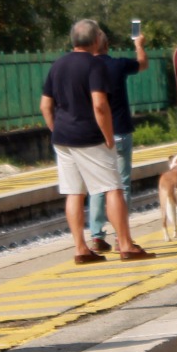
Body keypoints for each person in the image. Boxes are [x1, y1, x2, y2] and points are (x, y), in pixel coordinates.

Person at [40, 20, 152, 264]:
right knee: (113, 188)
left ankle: (81, 249)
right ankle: (125, 245)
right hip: (90, 136)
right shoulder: (94, 65)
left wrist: (56, 129)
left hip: (63, 139)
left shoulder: (57, 65)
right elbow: (100, 105)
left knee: (74, 192)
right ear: (95, 41)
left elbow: (45, 105)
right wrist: (108, 136)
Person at [85, 23, 147, 253]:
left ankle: (96, 234)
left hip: (94, 133)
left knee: (97, 186)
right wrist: (139, 45)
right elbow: (143, 64)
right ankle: (122, 237)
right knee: (121, 185)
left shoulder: (87, 68)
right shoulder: (118, 64)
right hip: (120, 130)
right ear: (107, 45)